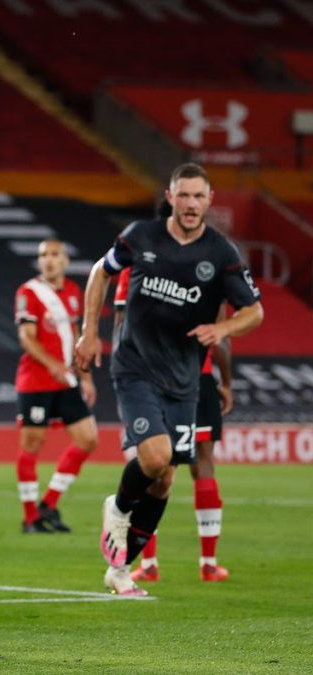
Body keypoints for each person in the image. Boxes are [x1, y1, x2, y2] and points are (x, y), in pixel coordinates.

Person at [74, 163, 262, 596]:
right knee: (156, 458)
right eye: (184, 196)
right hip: (136, 366)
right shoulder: (142, 235)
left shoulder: (222, 253)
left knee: (164, 479)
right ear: (170, 197)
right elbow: (100, 272)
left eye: (199, 196)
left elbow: (254, 311)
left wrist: (224, 330)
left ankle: (120, 569)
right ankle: (117, 508)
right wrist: (89, 332)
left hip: (184, 378)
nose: (192, 204)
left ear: (210, 199)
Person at [114, 269, 233, 583]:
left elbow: (121, 323)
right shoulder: (211, 268)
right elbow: (220, 336)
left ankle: (148, 564)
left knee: (155, 469)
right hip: (198, 378)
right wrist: (227, 382)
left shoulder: (138, 266)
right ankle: (208, 563)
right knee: (202, 466)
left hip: (149, 379)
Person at [13, 239, 98, 533]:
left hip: (66, 380)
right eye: (43, 255)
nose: (48, 260)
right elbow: (27, 337)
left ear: (64, 260)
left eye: (54, 255)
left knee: (88, 438)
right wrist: (53, 364)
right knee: (32, 446)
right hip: (36, 381)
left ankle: (48, 503)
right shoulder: (29, 292)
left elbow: (74, 335)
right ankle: (30, 517)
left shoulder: (74, 292)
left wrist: (84, 375)